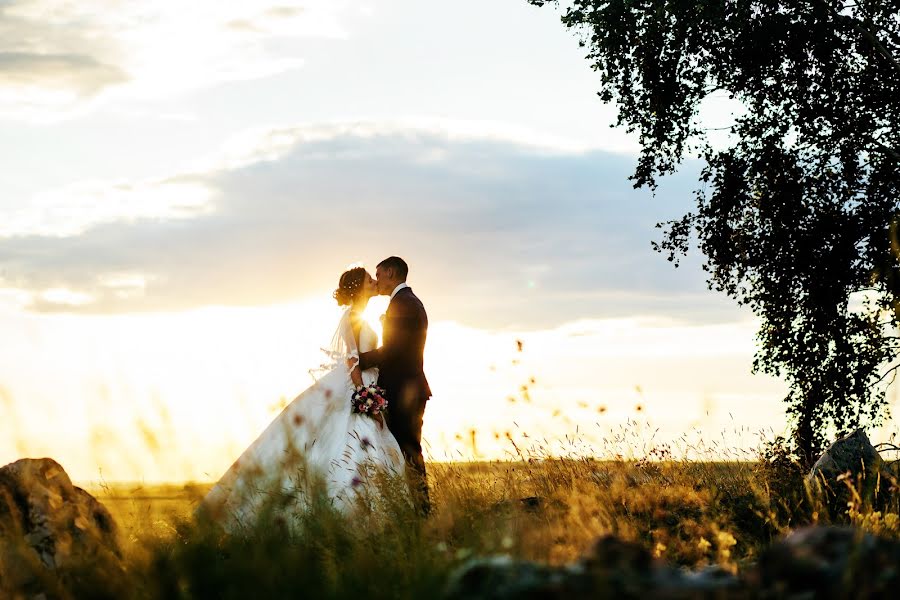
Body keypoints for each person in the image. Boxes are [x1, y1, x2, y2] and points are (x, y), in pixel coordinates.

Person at [199, 266, 405, 532]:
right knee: (347, 443)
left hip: (367, 384)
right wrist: (363, 396)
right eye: (369, 279)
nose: (375, 281)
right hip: (358, 388)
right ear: (359, 288)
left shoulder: (360, 318)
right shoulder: (352, 318)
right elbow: (353, 361)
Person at [357, 256, 432, 515]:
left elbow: (393, 349)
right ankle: (415, 511)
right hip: (403, 390)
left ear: (390, 272)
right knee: (404, 453)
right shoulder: (405, 302)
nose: (377, 281)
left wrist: (360, 360)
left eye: (378, 275)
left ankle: (423, 513)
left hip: (405, 393)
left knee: (409, 453)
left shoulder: (404, 304)